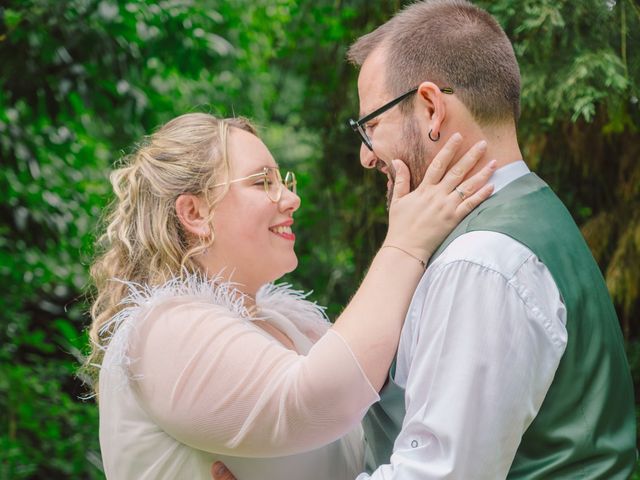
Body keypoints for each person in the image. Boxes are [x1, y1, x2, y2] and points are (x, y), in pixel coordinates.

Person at [212, 1, 636, 479]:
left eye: (370, 126)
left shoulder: (481, 262)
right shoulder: (530, 212)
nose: (364, 157)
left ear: (432, 108)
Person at [86, 112, 495, 479]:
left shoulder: (290, 325)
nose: (291, 198)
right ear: (194, 213)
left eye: (283, 180)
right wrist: (405, 244)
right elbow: (314, 401)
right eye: (262, 182)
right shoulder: (164, 330)